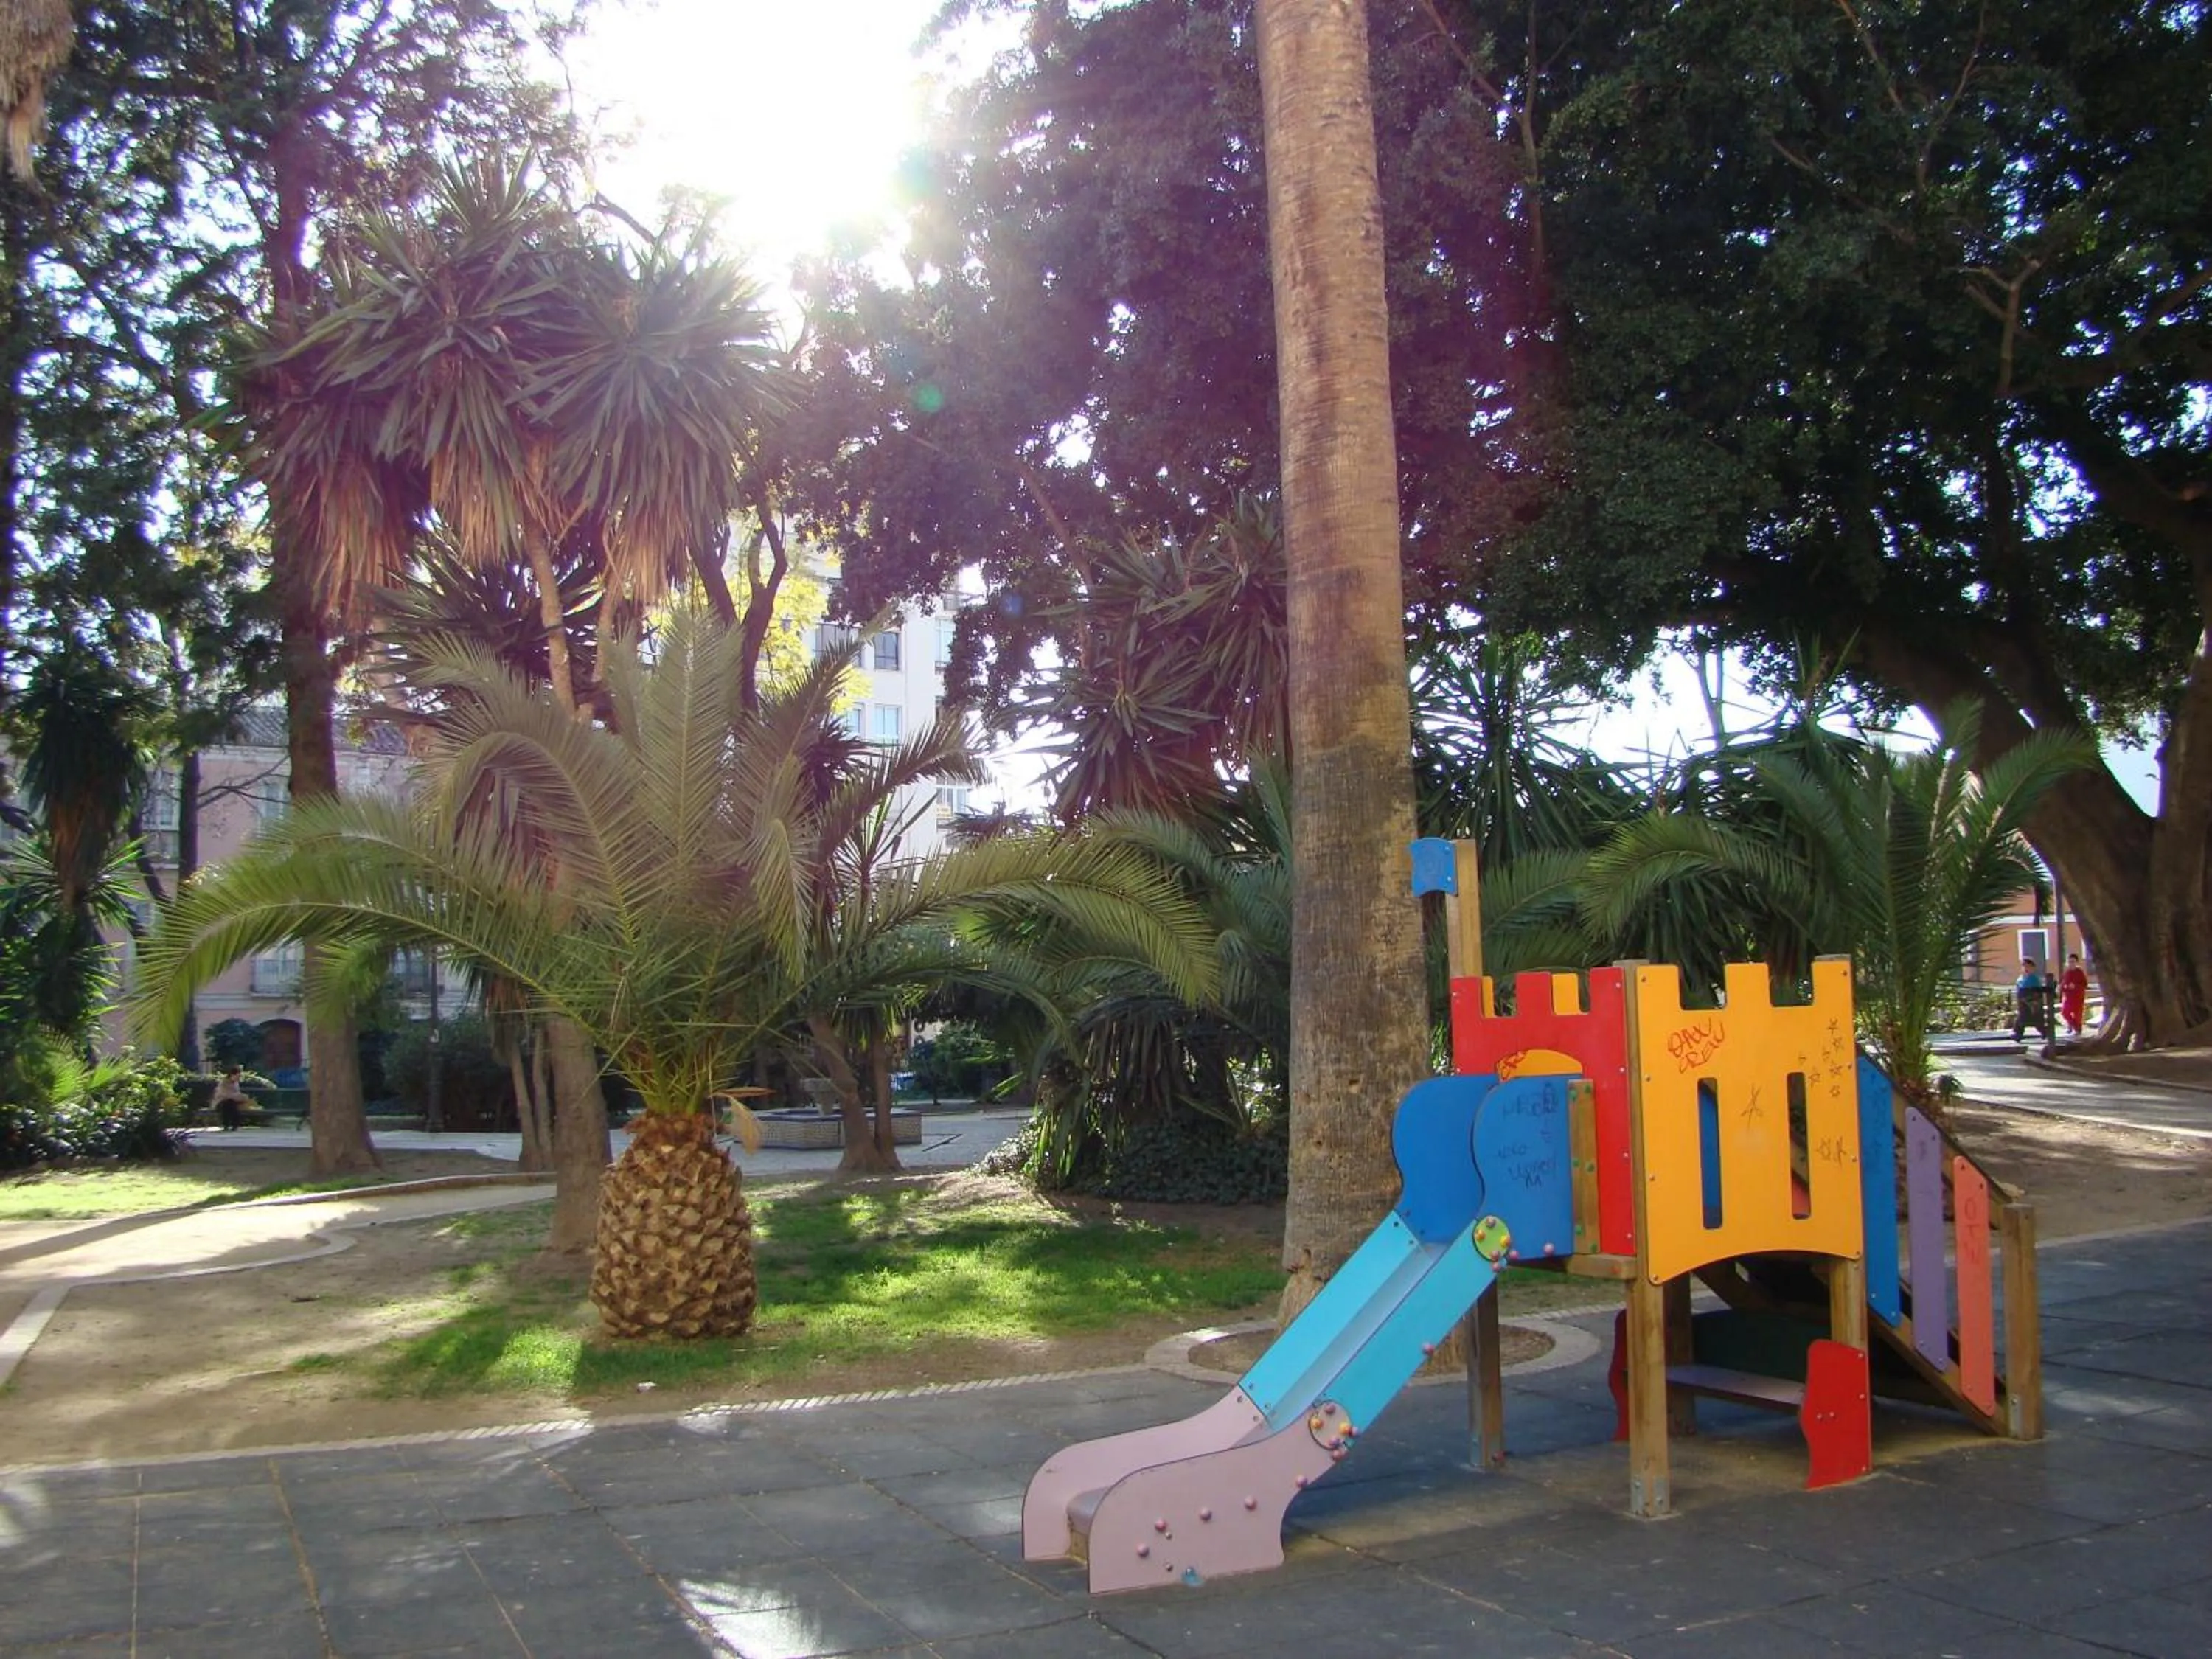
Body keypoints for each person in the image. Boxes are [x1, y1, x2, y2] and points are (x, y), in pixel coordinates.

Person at [2011, 958, 2049, 1043]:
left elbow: (2037, 992)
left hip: (2032, 1004)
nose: (2026, 969)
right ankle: (2018, 1035)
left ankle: (2045, 1032)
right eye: (2024, 966)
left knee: (2037, 1022)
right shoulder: (2021, 978)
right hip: (2023, 1004)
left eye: (2028, 966)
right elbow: (2018, 989)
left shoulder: (2034, 979)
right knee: (2021, 1020)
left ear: (2033, 968)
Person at [2059, 953, 2090, 1038]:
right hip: (2068, 997)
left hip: (2078, 997)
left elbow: (2085, 984)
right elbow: (2063, 984)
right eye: (2069, 962)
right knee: (2065, 1012)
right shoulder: (2066, 973)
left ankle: (2078, 1029)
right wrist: (2062, 988)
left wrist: (2075, 986)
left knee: (2078, 1015)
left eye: (2073, 962)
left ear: (2076, 963)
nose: (2071, 964)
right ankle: (2073, 1026)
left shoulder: (2080, 972)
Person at [211, 1066, 249, 1132]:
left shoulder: (236, 1083)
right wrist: (238, 1096)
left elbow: (236, 1094)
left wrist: (241, 1097)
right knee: (228, 1103)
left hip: (231, 1102)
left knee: (231, 1103)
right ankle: (230, 1124)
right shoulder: (224, 1083)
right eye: (237, 1076)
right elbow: (225, 1095)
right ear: (232, 1075)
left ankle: (232, 1124)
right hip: (220, 1103)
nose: (239, 1078)